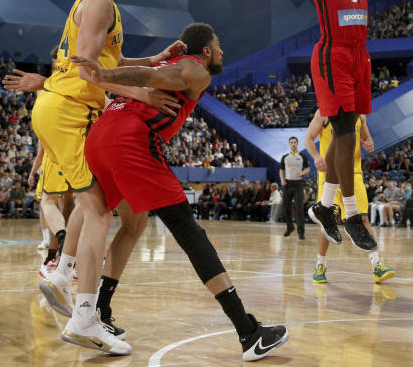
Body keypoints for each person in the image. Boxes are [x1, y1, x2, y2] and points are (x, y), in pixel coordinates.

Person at [68, 23, 288, 359]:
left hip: (99, 139)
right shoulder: (196, 70)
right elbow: (164, 78)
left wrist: (105, 75)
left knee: (133, 223)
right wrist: (108, 72)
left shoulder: (163, 63)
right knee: (189, 230)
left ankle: (101, 311)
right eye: (219, 45)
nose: (222, 52)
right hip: (129, 142)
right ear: (206, 51)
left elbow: (144, 74)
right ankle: (248, 332)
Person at [5, 0, 185, 337]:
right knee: (100, 210)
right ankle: (84, 316)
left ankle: (60, 278)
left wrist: (152, 62)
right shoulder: (100, 3)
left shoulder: (101, 7)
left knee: (95, 203)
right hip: (69, 110)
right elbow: (88, 72)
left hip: (64, 107)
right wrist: (140, 92)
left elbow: (112, 63)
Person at [295, 0, 376, 252]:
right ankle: (349, 213)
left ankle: (326, 206)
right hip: (332, 54)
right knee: (343, 131)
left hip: (359, 56)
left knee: (346, 136)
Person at [304, 109, 394, 285]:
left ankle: (377, 265)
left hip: (354, 173)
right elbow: (308, 138)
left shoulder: (360, 114)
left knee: (363, 218)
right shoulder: (323, 112)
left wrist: (368, 142)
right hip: (329, 174)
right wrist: (316, 157)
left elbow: (366, 137)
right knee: (326, 220)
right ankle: (320, 265)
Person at [280, 137, 310, 239]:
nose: (293, 144)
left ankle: (301, 232)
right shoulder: (285, 157)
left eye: (295, 142)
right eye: (291, 142)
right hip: (287, 184)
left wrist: (302, 173)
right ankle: (290, 228)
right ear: (289, 144)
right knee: (285, 207)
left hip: (298, 184)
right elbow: (281, 170)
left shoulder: (302, 156)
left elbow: (308, 168)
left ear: (297, 144)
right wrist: (282, 179)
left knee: (299, 208)